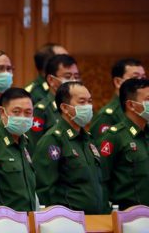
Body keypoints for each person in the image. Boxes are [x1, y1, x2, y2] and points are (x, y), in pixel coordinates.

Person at [33, 81, 105, 214]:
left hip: (96, 219)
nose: (88, 106)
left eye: (89, 101)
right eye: (82, 102)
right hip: (67, 222)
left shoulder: (87, 139)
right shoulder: (53, 140)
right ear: (65, 108)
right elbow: (45, 189)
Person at [98, 78, 149, 210]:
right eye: (148, 99)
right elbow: (101, 179)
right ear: (131, 105)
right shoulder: (114, 136)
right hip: (128, 214)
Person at [28, 54, 80, 146]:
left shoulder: (77, 108)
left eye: (76, 76)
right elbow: (34, 148)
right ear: (51, 80)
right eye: (67, 76)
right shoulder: (41, 111)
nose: (73, 81)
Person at [90, 58, 146, 138]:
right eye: (135, 78)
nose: (141, 83)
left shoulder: (143, 111)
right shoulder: (107, 116)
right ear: (118, 82)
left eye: (143, 78)